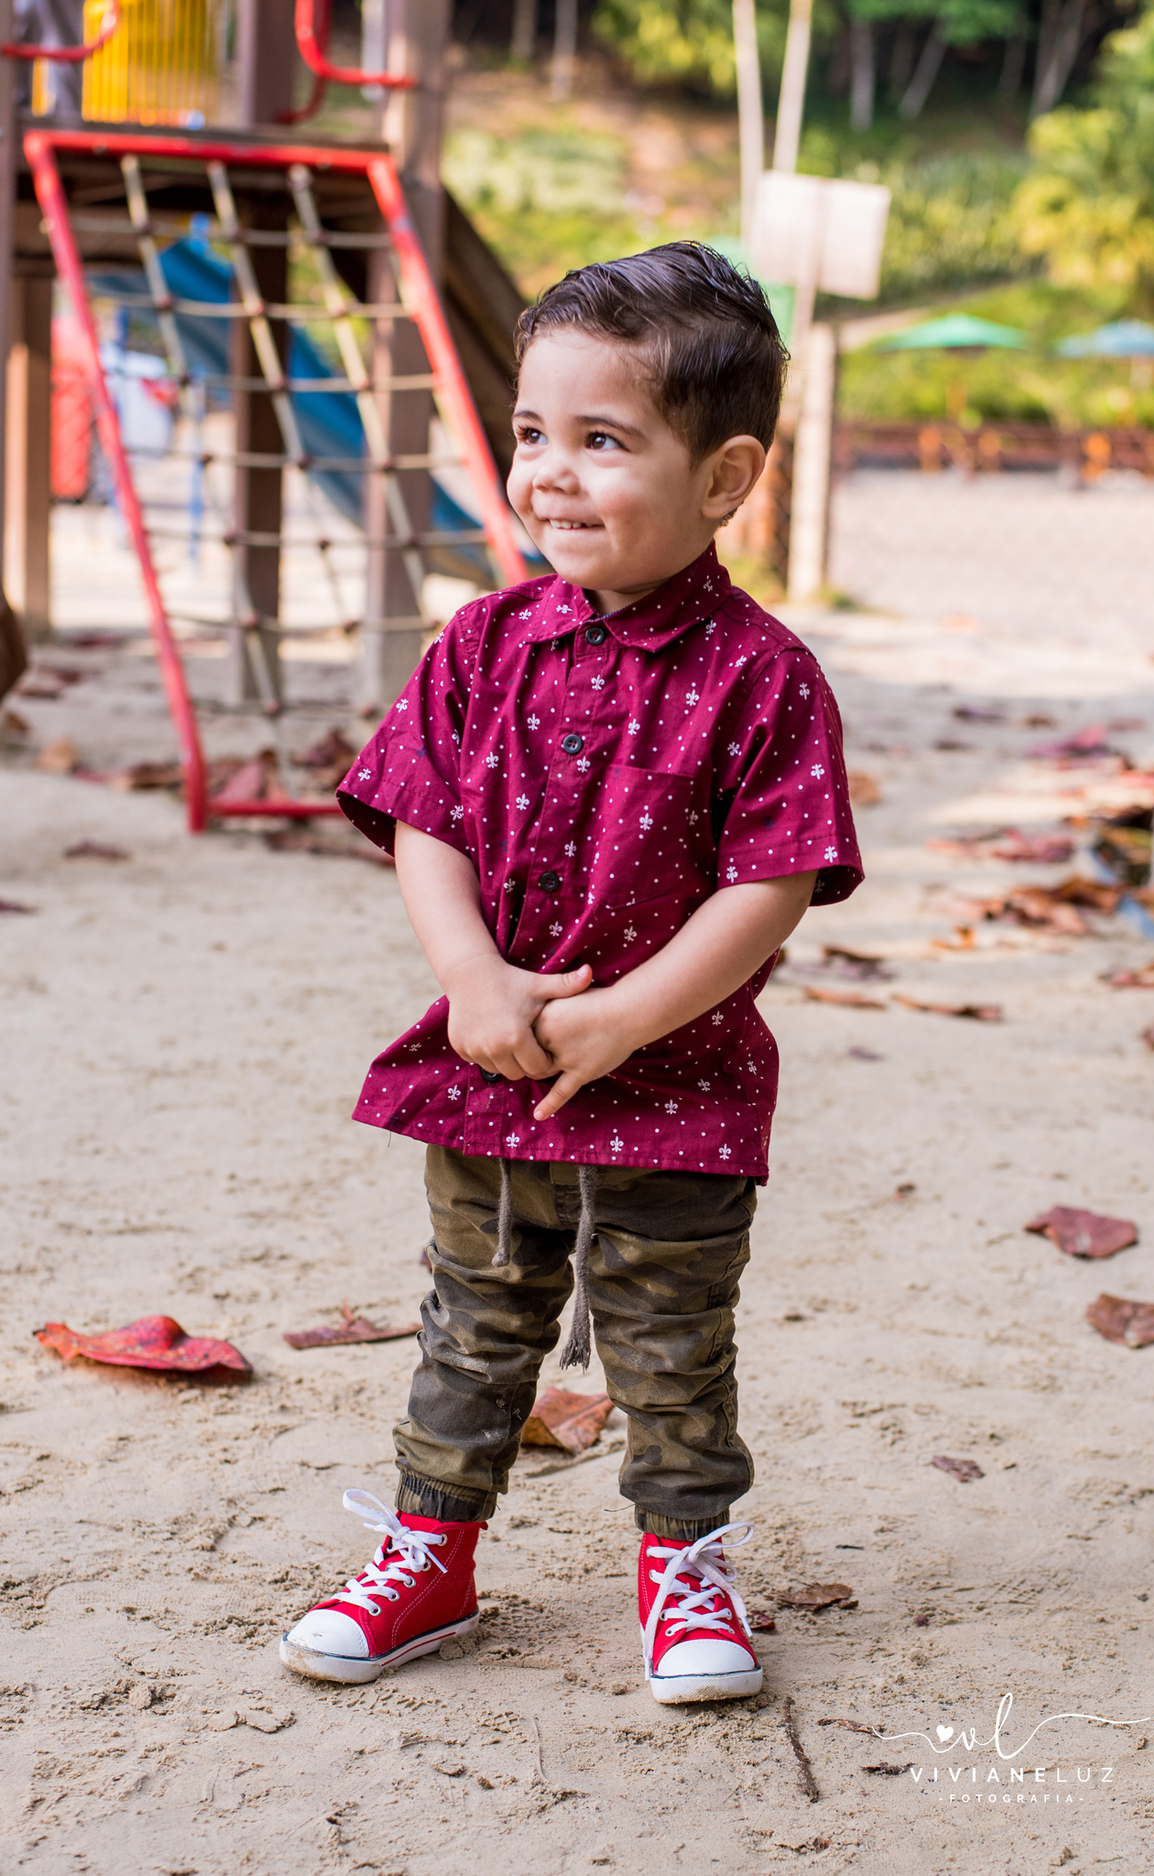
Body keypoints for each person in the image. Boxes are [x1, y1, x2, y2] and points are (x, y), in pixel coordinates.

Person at [279, 243, 863, 1703]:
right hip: (496, 1067)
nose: (548, 473)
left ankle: (684, 1567)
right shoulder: (482, 643)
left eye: (603, 441)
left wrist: (629, 1015)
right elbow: (424, 817)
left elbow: (774, 880)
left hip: (678, 1081)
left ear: (723, 478)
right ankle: (430, 1553)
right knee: (474, 1318)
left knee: (672, 1339)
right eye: (533, 430)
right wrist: (474, 978)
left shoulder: (764, 676)